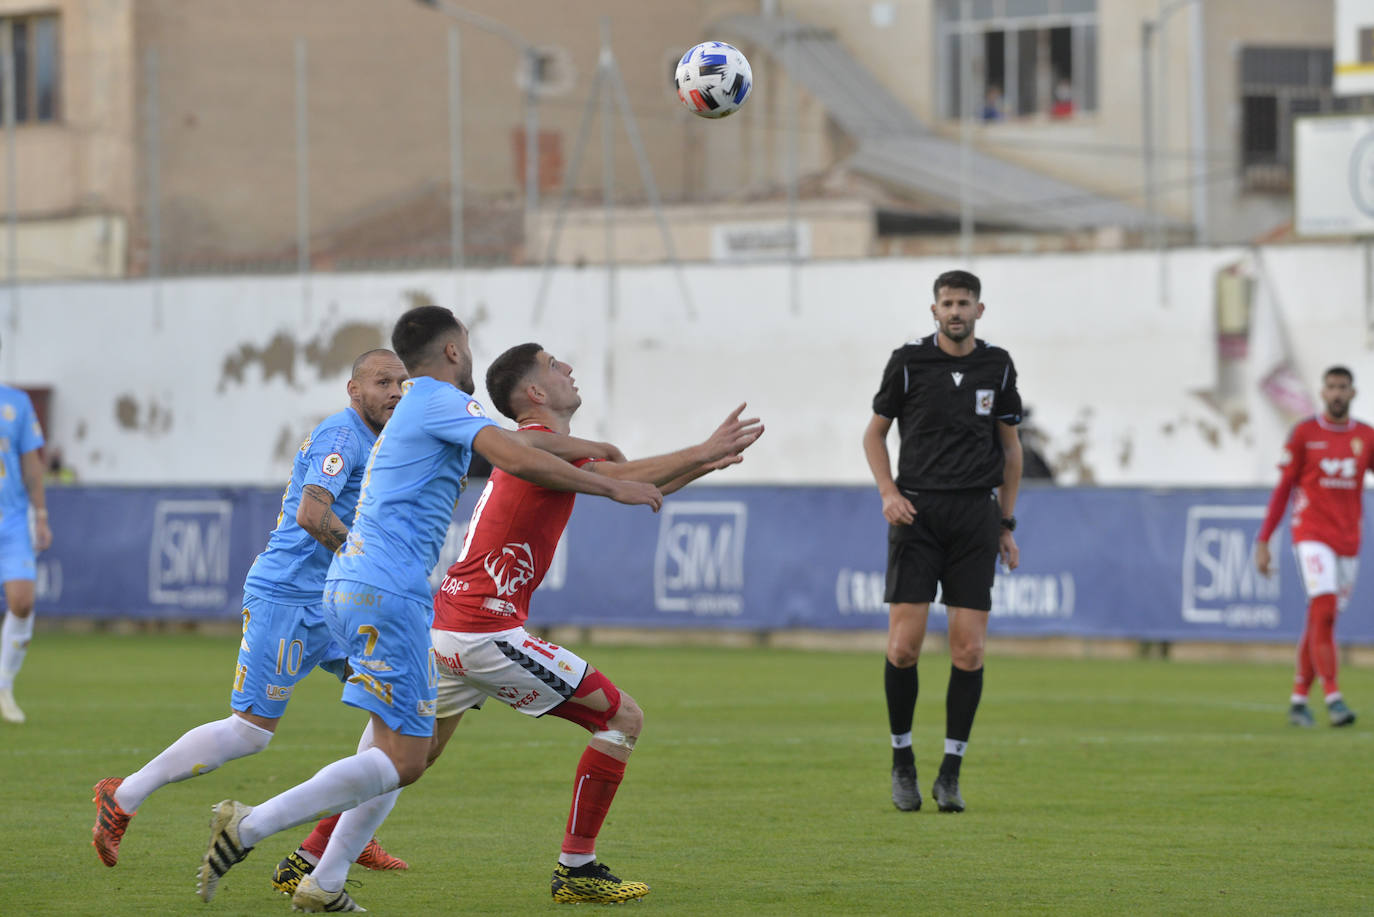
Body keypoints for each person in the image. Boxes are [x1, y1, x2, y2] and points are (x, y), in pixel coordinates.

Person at [194, 306, 662, 912]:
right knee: (404, 760)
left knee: (393, 752)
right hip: (388, 592)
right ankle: (249, 825)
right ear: (453, 350)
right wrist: (611, 482)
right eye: (466, 345)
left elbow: (524, 448)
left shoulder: (419, 409)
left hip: (363, 587)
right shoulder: (439, 399)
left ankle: (321, 880)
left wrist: (593, 452)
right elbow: (514, 454)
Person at [272, 342, 764, 906]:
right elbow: (622, 474)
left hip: (447, 625)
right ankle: (576, 867)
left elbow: (634, 484)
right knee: (622, 716)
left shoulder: (549, 449)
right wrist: (702, 449)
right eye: (556, 365)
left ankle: (307, 857)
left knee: (409, 757)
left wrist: (704, 461)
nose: (569, 369)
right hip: (484, 629)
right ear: (534, 392)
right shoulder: (533, 442)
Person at [91, 350, 414, 873]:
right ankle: (122, 796)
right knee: (250, 733)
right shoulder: (340, 436)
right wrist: (367, 561)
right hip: (288, 595)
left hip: (334, 600)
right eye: (383, 382)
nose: (395, 391)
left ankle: (342, 836)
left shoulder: (382, 441)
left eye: (402, 382)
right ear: (353, 390)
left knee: (395, 705)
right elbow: (313, 513)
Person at [861, 268, 1022, 814]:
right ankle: (902, 759)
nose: (956, 310)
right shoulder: (909, 363)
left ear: (980, 310)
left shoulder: (996, 365)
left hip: (975, 517)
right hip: (918, 515)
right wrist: (887, 491)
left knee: (969, 650)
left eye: (964, 302)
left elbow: (1012, 450)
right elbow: (874, 434)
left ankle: (950, 772)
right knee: (903, 648)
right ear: (934, 311)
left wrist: (1006, 523)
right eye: (947, 302)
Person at [1255, 366, 1371, 728]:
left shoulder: (1366, 437)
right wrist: (1264, 539)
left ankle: (1298, 700)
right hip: (1311, 534)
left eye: (1343, 387)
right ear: (1322, 392)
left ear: (1353, 393)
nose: (1337, 393)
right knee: (1323, 610)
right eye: (1331, 386)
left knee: (1320, 619)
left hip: (1348, 541)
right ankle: (1334, 698)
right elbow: (1283, 490)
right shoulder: (1305, 433)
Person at [0, 366, 52, 725]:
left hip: (14, 519)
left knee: (23, 601)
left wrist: (42, 514)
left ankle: (4, 686)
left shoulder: (15, 402)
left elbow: (31, 464)